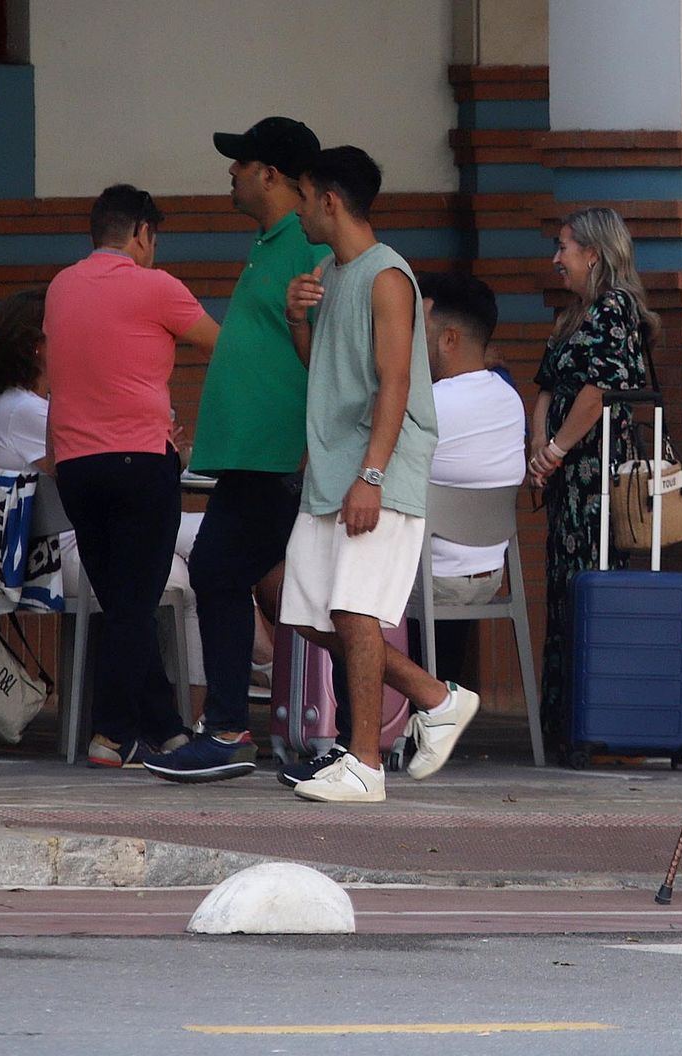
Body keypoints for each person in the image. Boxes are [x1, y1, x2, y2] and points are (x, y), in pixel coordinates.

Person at [276, 146, 479, 803]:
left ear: (329, 200)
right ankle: (435, 697)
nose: (298, 211)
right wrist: (296, 320)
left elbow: (395, 382)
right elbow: (327, 372)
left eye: (304, 198)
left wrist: (371, 475)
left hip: (375, 469)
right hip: (333, 470)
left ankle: (365, 763)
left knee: (354, 610)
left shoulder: (388, 276)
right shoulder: (332, 275)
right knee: (309, 614)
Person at [143, 116, 327, 784]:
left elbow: (334, 356)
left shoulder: (308, 246)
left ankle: (228, 729)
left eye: (241, 163)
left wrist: (311, 447)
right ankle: (251, 727)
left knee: (224, 571)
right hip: (255, 456)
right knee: (258, 584)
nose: (231, 172)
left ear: (270, 174)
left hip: (278, 457)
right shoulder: (270, 242)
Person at [44, 185, 220, 767]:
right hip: (140, 462)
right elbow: (223, 348)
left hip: (76, 467)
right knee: (133, 606)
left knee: (123, 603)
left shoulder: (60, 287)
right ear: (143, 233)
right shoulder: (157, 286)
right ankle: (111, 735)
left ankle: (166, 729)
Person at [0, 288, 207, 690]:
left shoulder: (32, 406)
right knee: (192, 566)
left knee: (208, 545)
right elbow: (99, 462)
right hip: (51, 558)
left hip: (85, 541)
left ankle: (229, 678)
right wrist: (155, 447)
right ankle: (203, 700)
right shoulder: (24, 410)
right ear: (37, 347)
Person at [526, 207, 654, 758]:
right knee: (564, 589)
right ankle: (565, 725)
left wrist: (554, 450)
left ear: (593, 253)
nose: (557, 259)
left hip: (594, 475)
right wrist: (539, 446)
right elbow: (546, 386)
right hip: (565, 476)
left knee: (590, 586)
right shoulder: (574, 313)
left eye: (564, 247)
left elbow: (598, 391)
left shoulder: (614, 307)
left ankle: (595, 719)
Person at [413, 270, 527, 676]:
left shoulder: (427, 404)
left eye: (419, 331)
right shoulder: (510, 399)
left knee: (334, 594)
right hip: (489, 574)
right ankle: (439, 699)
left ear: (449, 339)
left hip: (431, 577)